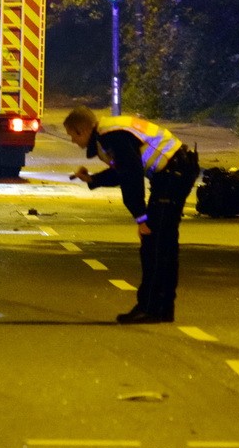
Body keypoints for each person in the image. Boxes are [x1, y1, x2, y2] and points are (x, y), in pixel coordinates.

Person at [64, 106, 199, 324]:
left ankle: (150, 308)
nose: (73, 141)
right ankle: (162, 308)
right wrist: (93, 180)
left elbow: (131, 175)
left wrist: (141, 217)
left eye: (72, 135)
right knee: (164, 244)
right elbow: (123, 170)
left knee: (153, 245)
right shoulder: (111, 132)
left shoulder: (111, 136)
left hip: (172, 174)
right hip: (177, 171)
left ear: (81, 130)